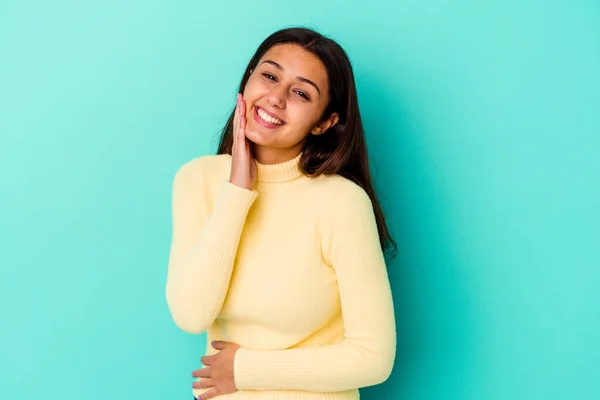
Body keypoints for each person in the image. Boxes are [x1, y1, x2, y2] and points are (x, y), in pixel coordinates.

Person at [165, 26, 398, 400]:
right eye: (269, 76)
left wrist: (244, 370)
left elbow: (373, 358)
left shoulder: (342, 202)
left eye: (301, 93)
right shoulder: (198, 180)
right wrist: (237, 192)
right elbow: (191, 315)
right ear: (248, 81)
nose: (275, 98)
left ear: (324, 122)